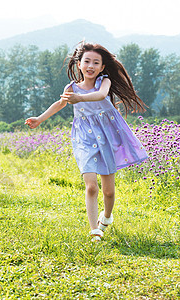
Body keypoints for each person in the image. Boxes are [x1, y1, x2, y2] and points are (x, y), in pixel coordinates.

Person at [25, 42, 149, 241]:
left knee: (109, 192)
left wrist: (80, 99)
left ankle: (106, 217)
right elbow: (59, 104)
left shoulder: (104, 83)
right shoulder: (71, 88)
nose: (91, 66)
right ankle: (94, 230)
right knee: (91, 186)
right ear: (79, 64)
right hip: (84, 137)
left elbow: (100, 96)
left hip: (107, 136)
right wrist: (40, 119)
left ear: (102, 67)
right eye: (87, 61)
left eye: (96, 63)